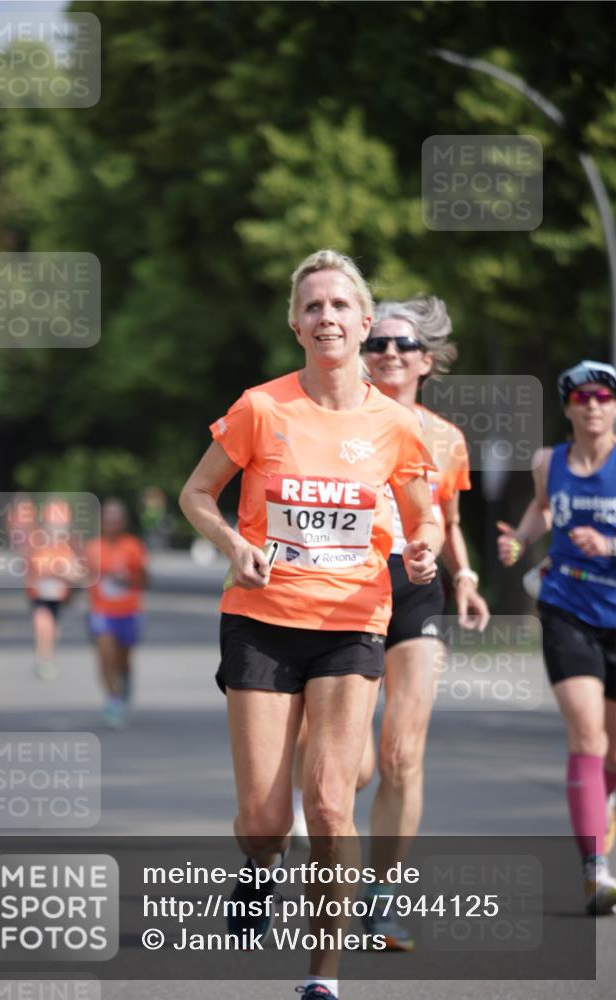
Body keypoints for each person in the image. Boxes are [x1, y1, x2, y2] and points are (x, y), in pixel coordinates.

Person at [179, 249, 442, 1000]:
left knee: (329, 801)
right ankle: (260, 868)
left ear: (364, 323)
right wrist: (234, 542)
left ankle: (320, 980)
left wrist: (422, 551)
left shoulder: (394, 424)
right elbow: (196, 494)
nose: (326, 317)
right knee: (264, 819)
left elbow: (421, 517)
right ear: (295, 324)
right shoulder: (262, 407)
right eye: (312, 306)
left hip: (352, 622)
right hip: (260, 620)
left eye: (339, 305)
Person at [292, 296, 490, 950]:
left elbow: (450, 522)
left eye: (401, 345)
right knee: (350, 768)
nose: (387, 353)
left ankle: (380, 898)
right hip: (348, 590)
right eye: (376, 343)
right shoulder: (336, 420)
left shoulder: (444, 439)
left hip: (417, 592)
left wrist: (463, 576)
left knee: (402, 753)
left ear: (424, 361)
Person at [498, 360, 616, 915]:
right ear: (569, 407)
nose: (593, 405)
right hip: (567, 608)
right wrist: (520, 541)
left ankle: (601, 817)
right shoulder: (550, 462)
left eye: (604, 396)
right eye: (583, 397)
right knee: (587, 738)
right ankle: (595, 869)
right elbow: (542, 510)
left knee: (612, 750)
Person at [84, 499, 147, 728]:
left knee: (122, 660)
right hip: (101, 612)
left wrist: (126, 579)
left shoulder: (133, 547)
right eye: (108, 518)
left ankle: (125, 681)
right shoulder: (92, 548)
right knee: (105, 656)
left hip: (128, 611)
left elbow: (144, 580)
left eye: (116, 519)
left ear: (123, 522)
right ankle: (113, 699)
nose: (112, 523)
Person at [25, 498, 84, 680]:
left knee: (52, 629)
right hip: (39, 595)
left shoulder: (69, 546)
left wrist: (69, 574)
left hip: (59, 596)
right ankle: (43, 660)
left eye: (61, 524)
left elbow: (79, 573)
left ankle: (46, 657)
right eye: (53, 523)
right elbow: (30, 568)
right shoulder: (36, 543)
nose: (57, 528)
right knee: (42, 623)